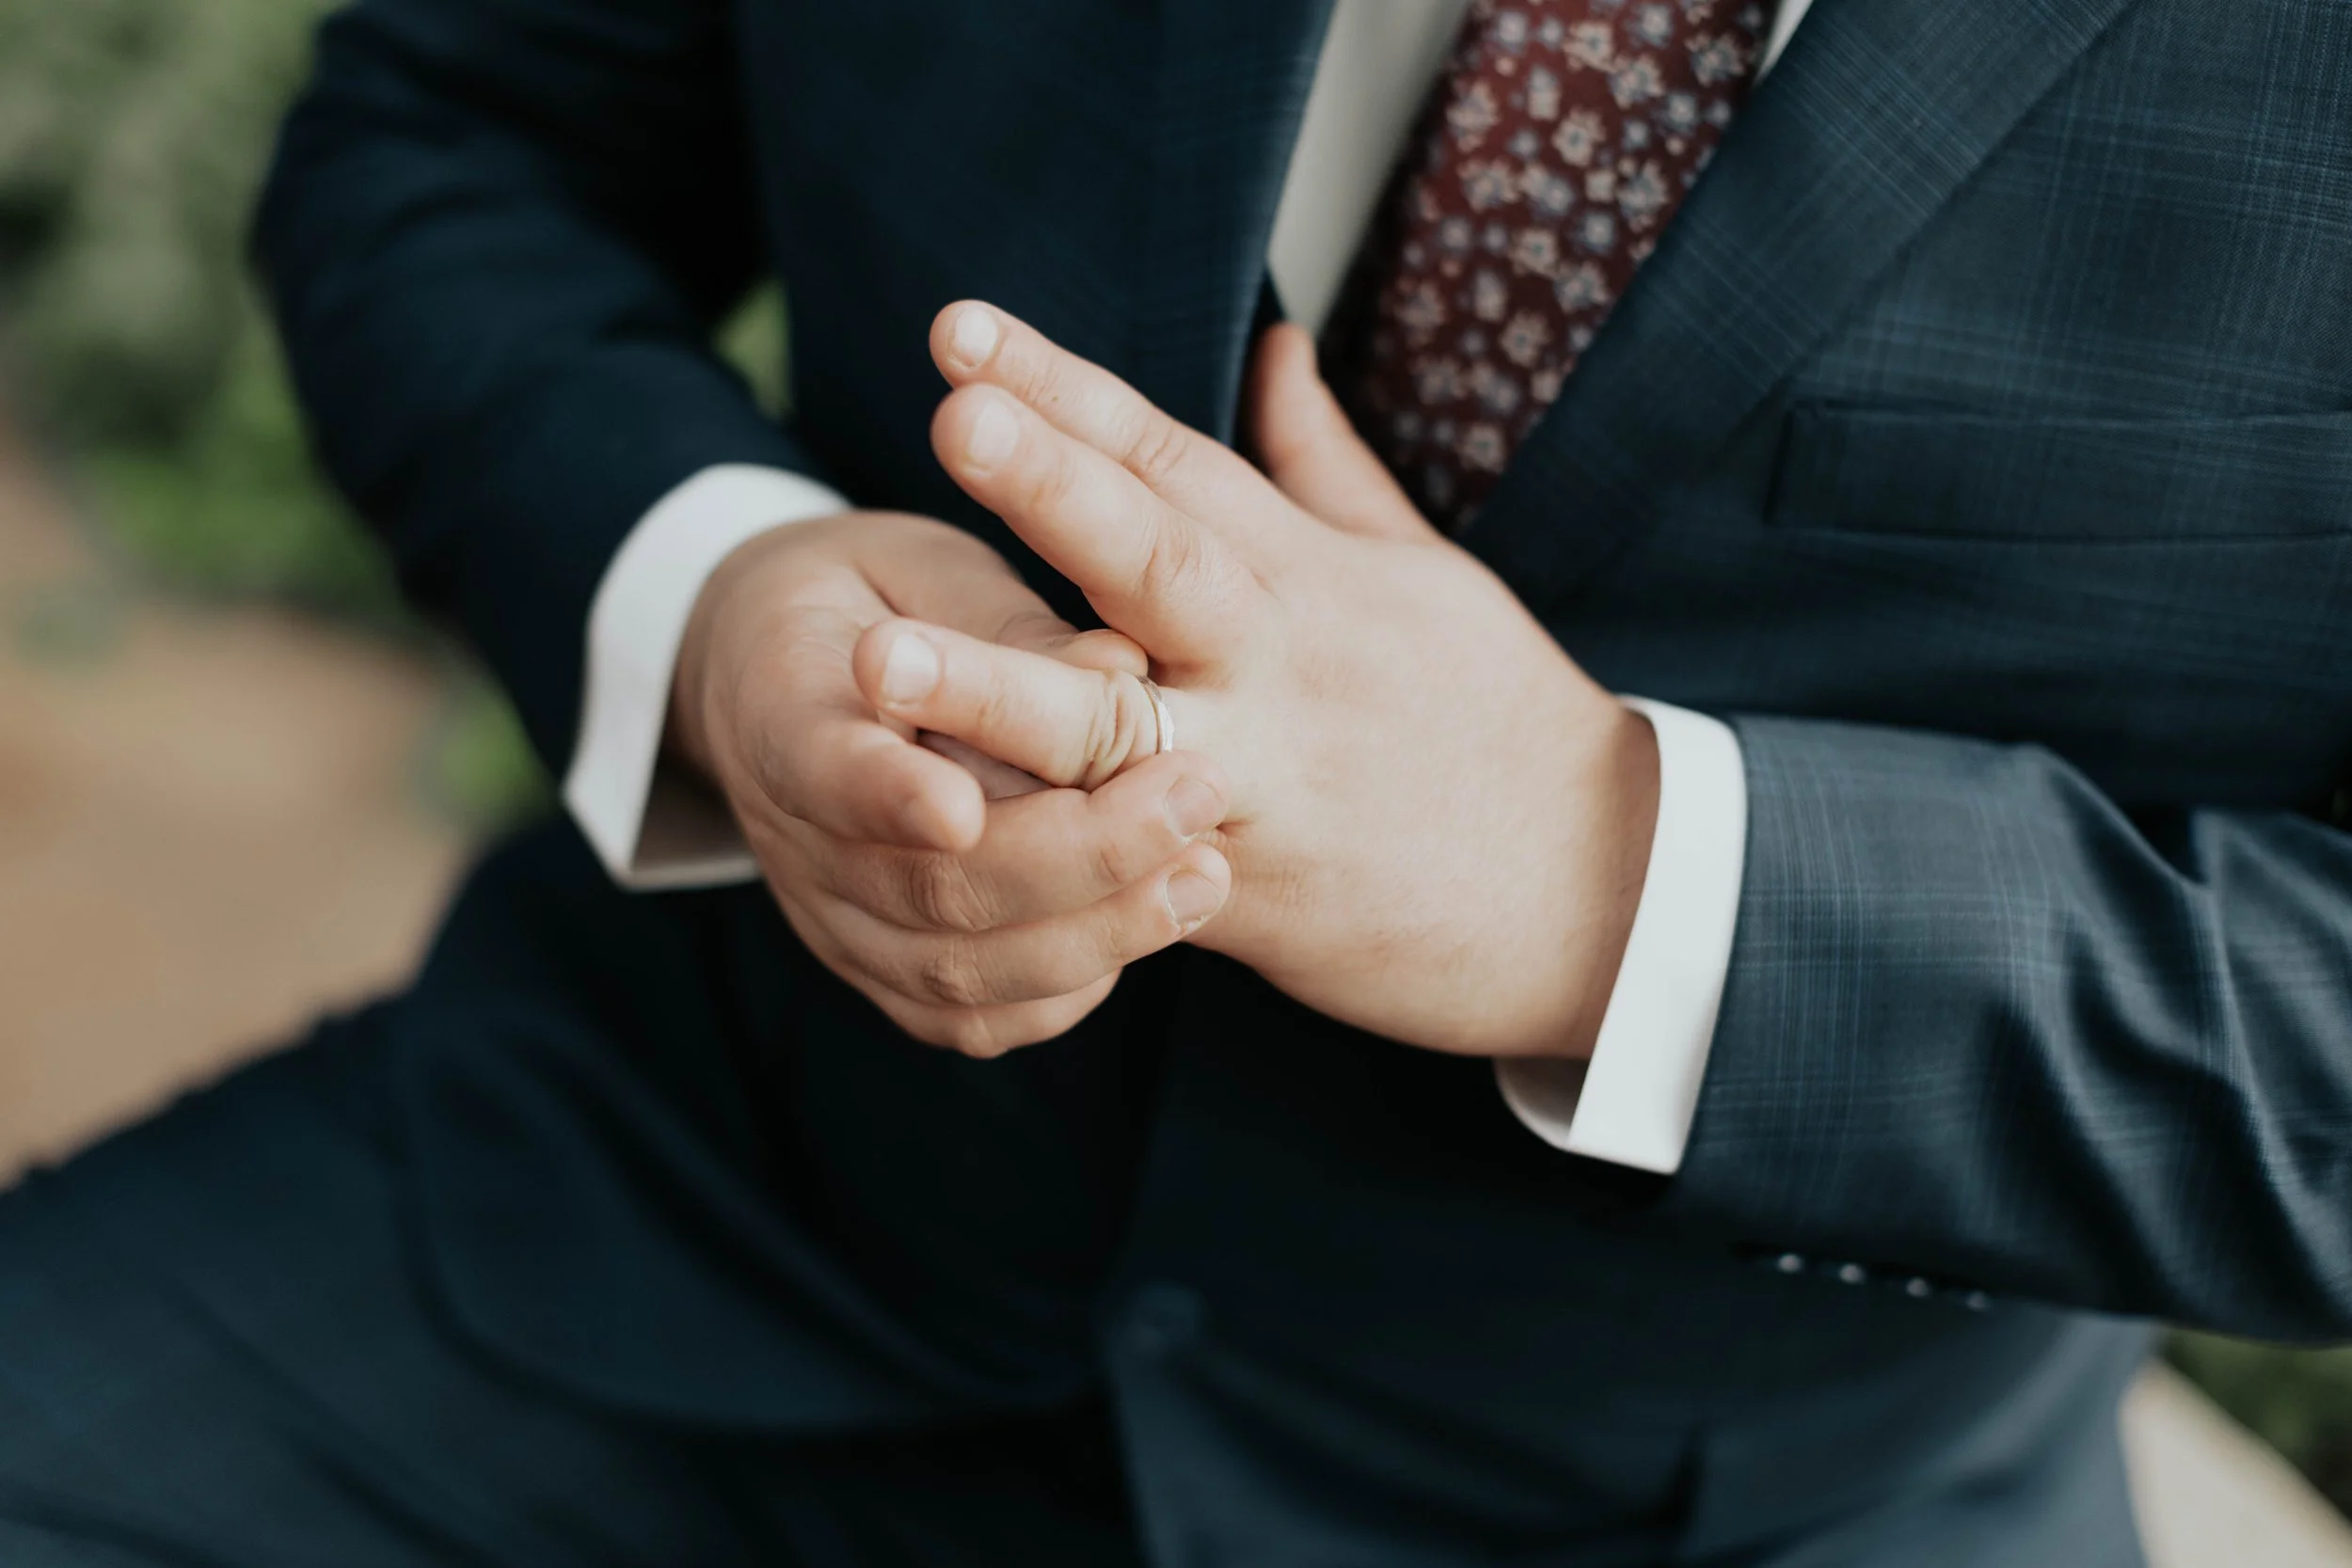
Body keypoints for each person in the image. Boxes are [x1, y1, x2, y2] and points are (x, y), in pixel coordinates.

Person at [2, 0, 2348, 1560]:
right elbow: (453, 138)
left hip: (1715, 1499)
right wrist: (722, 616)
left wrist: (1601, 879)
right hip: (694, 1197)